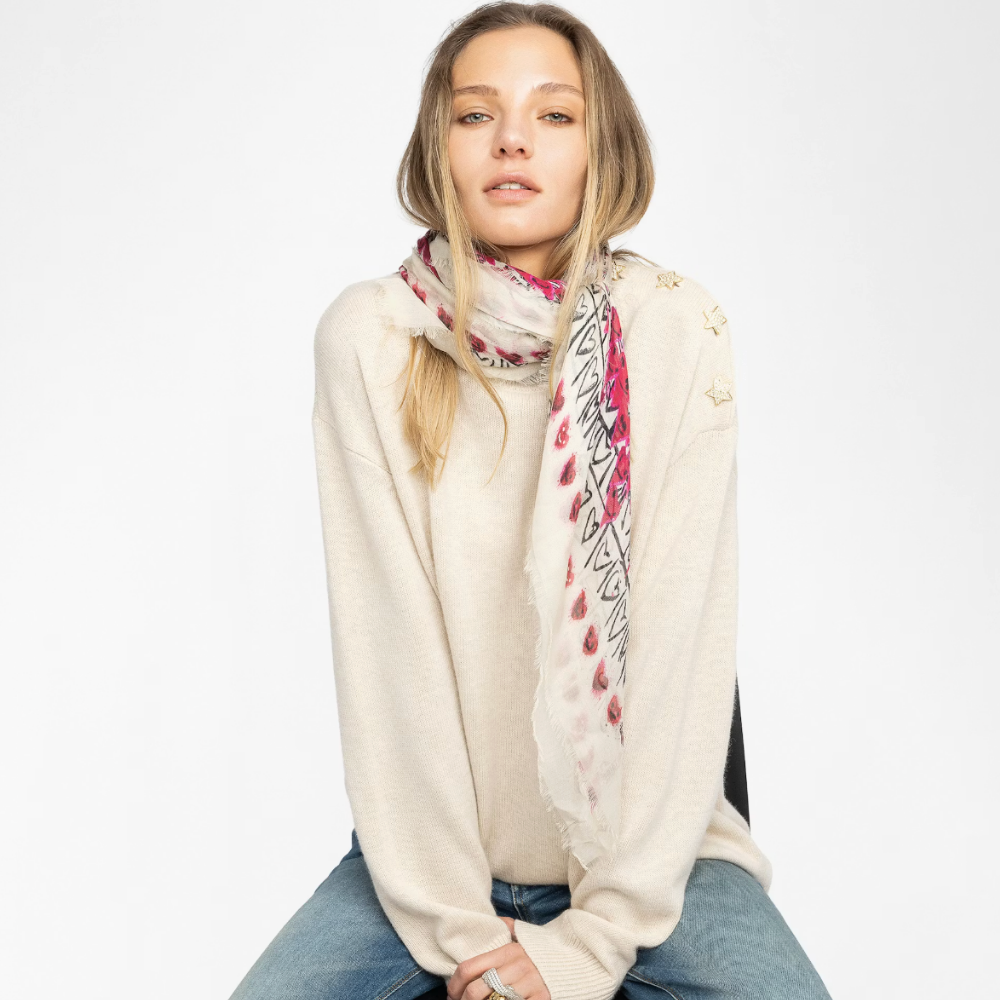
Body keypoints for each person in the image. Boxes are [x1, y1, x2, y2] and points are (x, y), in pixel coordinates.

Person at [228, 4, 833, 999]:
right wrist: (463, 930)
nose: (512, 139)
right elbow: (392, 667)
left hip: (660, 861)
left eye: (554, 115)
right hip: (432, 864)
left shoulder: (674, 331)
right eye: (476, 115)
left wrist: (590, 943)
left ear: (603, 149)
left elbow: (683, 662)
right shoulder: (372, 340)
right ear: (440, 147)